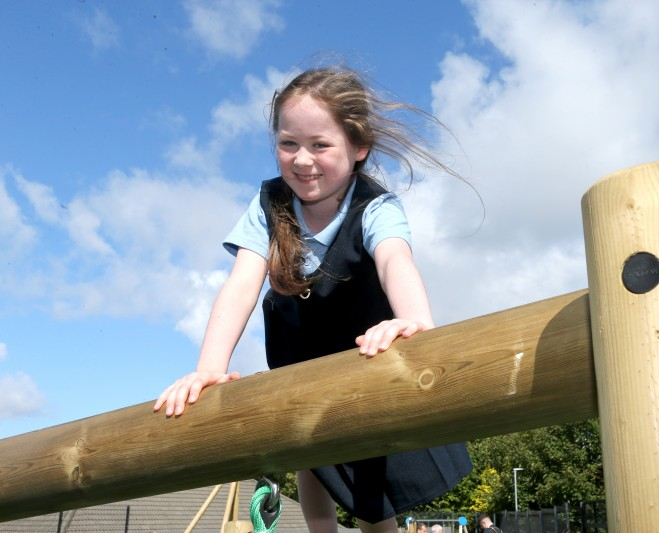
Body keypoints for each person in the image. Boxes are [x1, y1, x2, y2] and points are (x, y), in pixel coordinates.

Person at [153, 65, 472, 533]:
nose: (303, 160)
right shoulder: (268, 206)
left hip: (361, 345)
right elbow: (242, 284)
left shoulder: (375, 207)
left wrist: (415, 322)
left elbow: (394, 261)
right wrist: (208, 368)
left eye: (320, 145)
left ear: (358, 148)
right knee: (308, 452)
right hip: (300, 346)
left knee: (370, 475)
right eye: (288, 144)